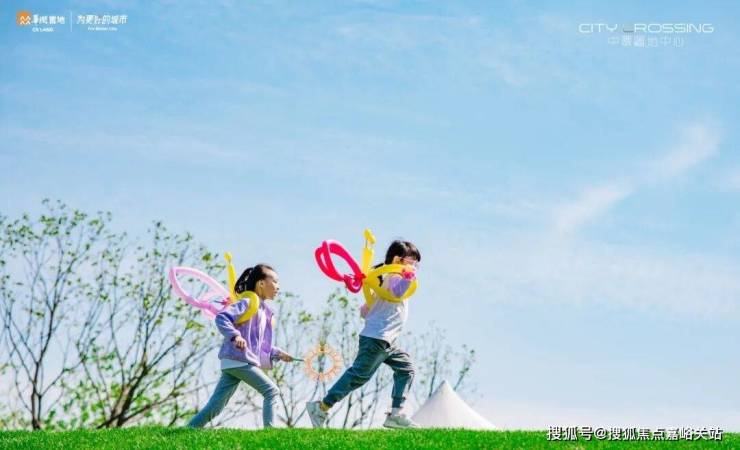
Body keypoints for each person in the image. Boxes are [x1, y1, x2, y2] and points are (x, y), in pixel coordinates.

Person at [306, 240, 421, 429]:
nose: (414, 265)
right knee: (359, 375)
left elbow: (366, 310)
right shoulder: (394, 276)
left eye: (416, 262)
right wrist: (408, 276)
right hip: (377, 338)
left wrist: (370, 307)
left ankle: (395, 414)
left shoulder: (383, 279)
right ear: (396, 260)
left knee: (406, 369)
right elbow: (397, 293)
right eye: (411, 260)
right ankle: (321, 407)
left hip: (387, 341)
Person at [188, 264, 292, 428]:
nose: (278, 286)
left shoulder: (262, 311)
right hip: (239, 360)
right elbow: (222, 317)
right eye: (275, 281)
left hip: (235, 361)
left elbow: (257, 345)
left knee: (215, 407)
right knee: (271, 391)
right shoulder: (247, 302)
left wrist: (277, 353)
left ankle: (188, 429)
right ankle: (270, 432)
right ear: (261, 283)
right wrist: (235, 335)